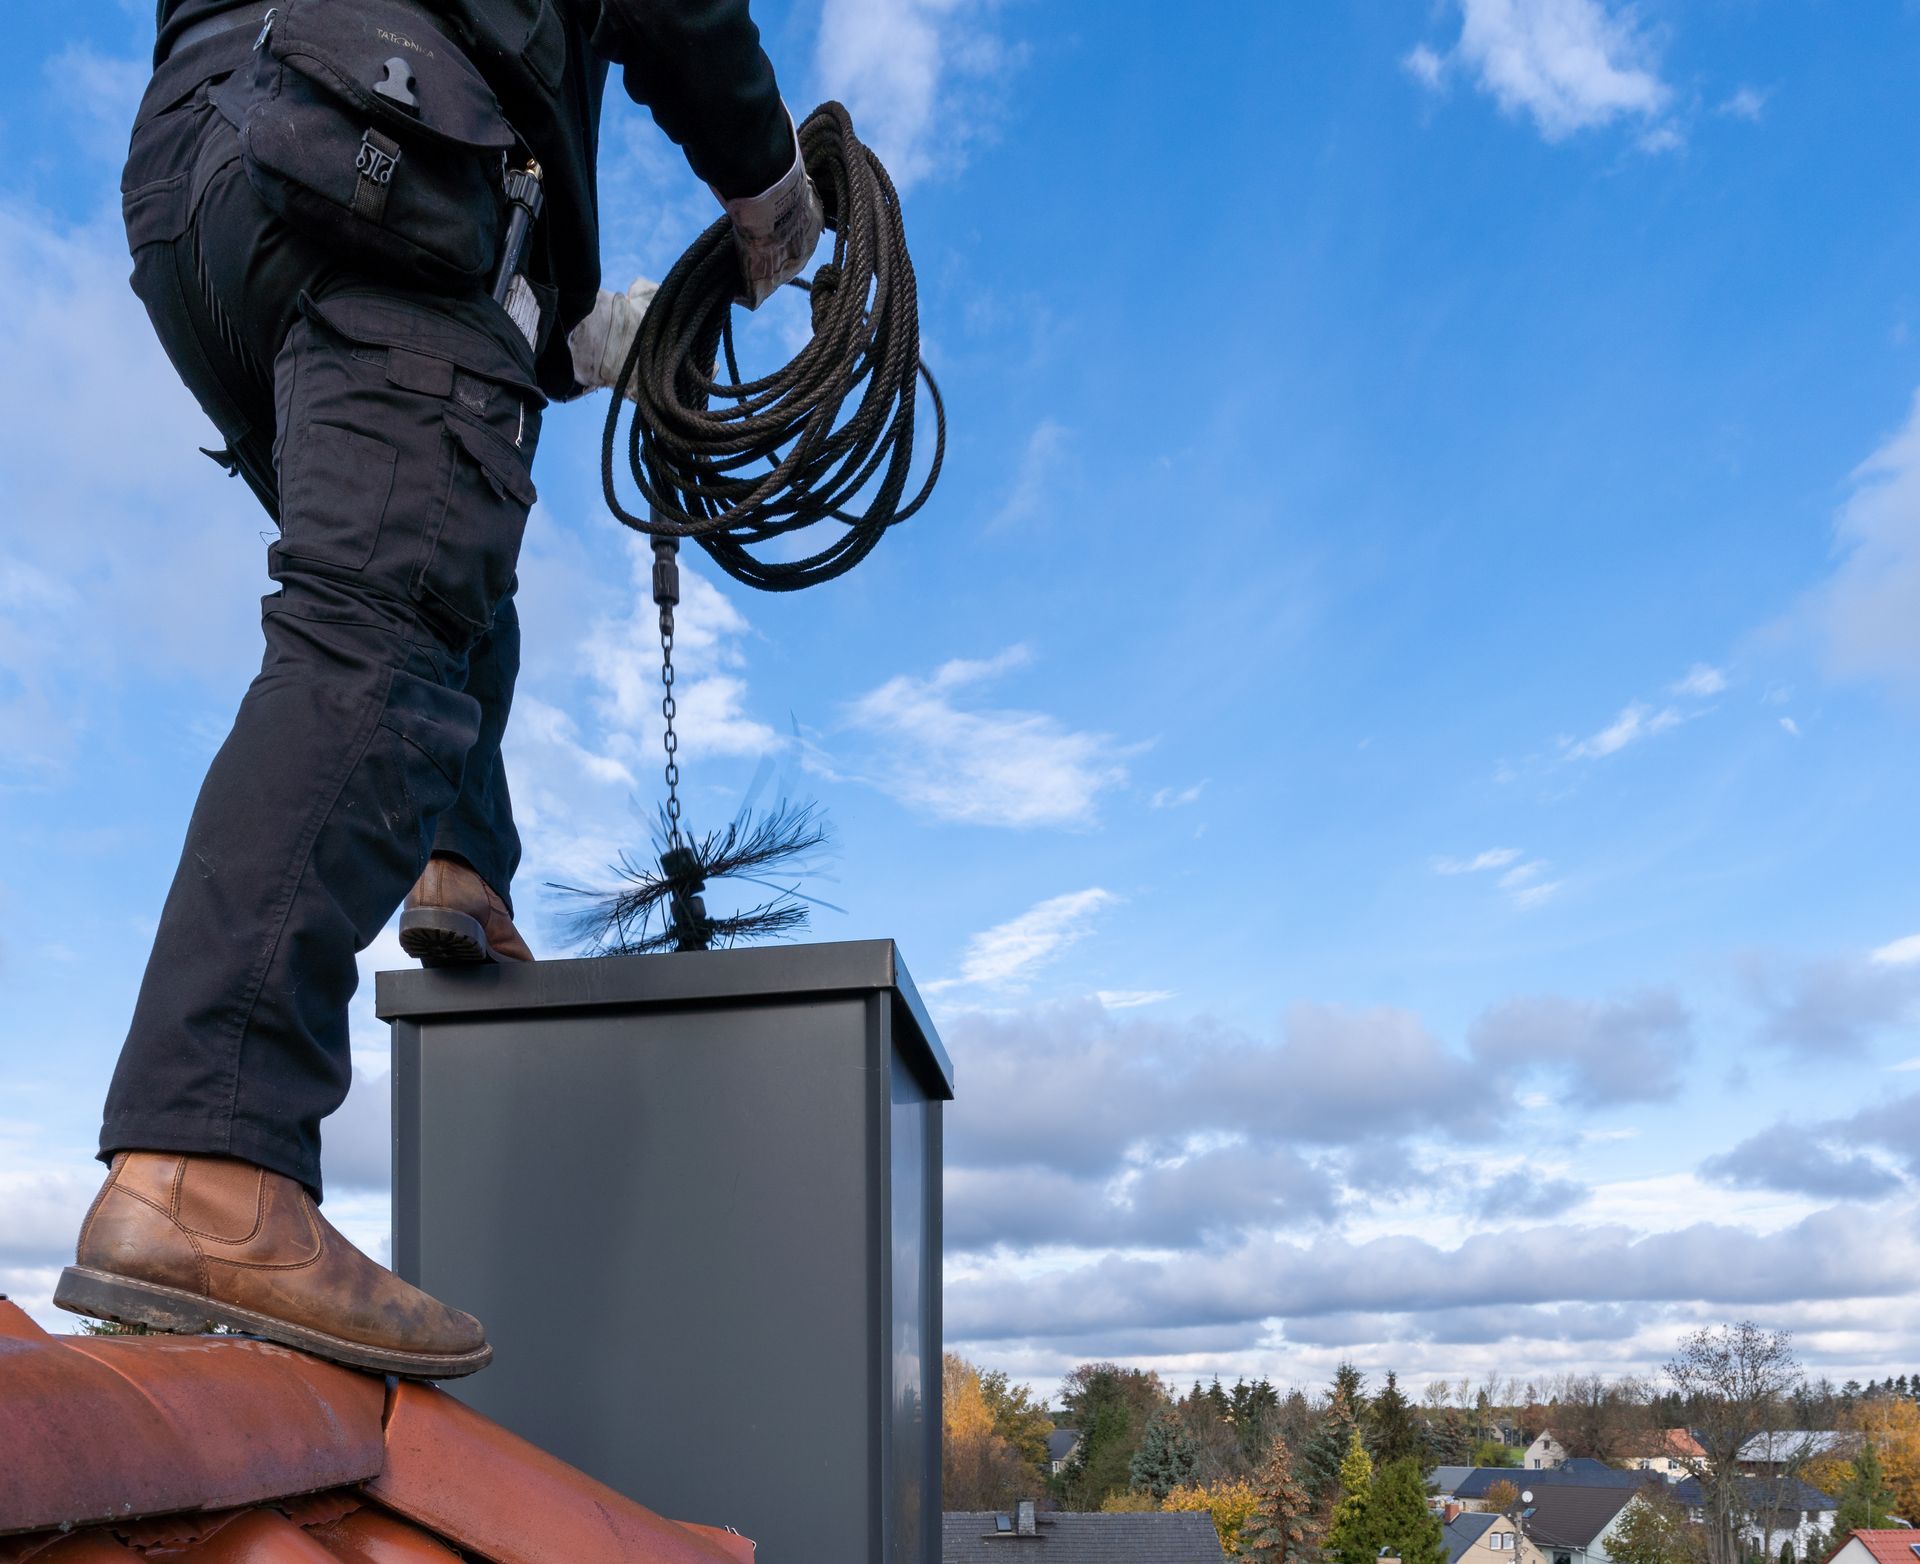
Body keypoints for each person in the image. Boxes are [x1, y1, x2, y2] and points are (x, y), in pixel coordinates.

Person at [55, 0, 822, 1379]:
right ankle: (205, 1171)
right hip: (380, 138)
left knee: (439, 546)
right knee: (384, 628)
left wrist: (574, 333)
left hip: (210, 183)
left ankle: (460, 868)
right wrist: (766, 183)